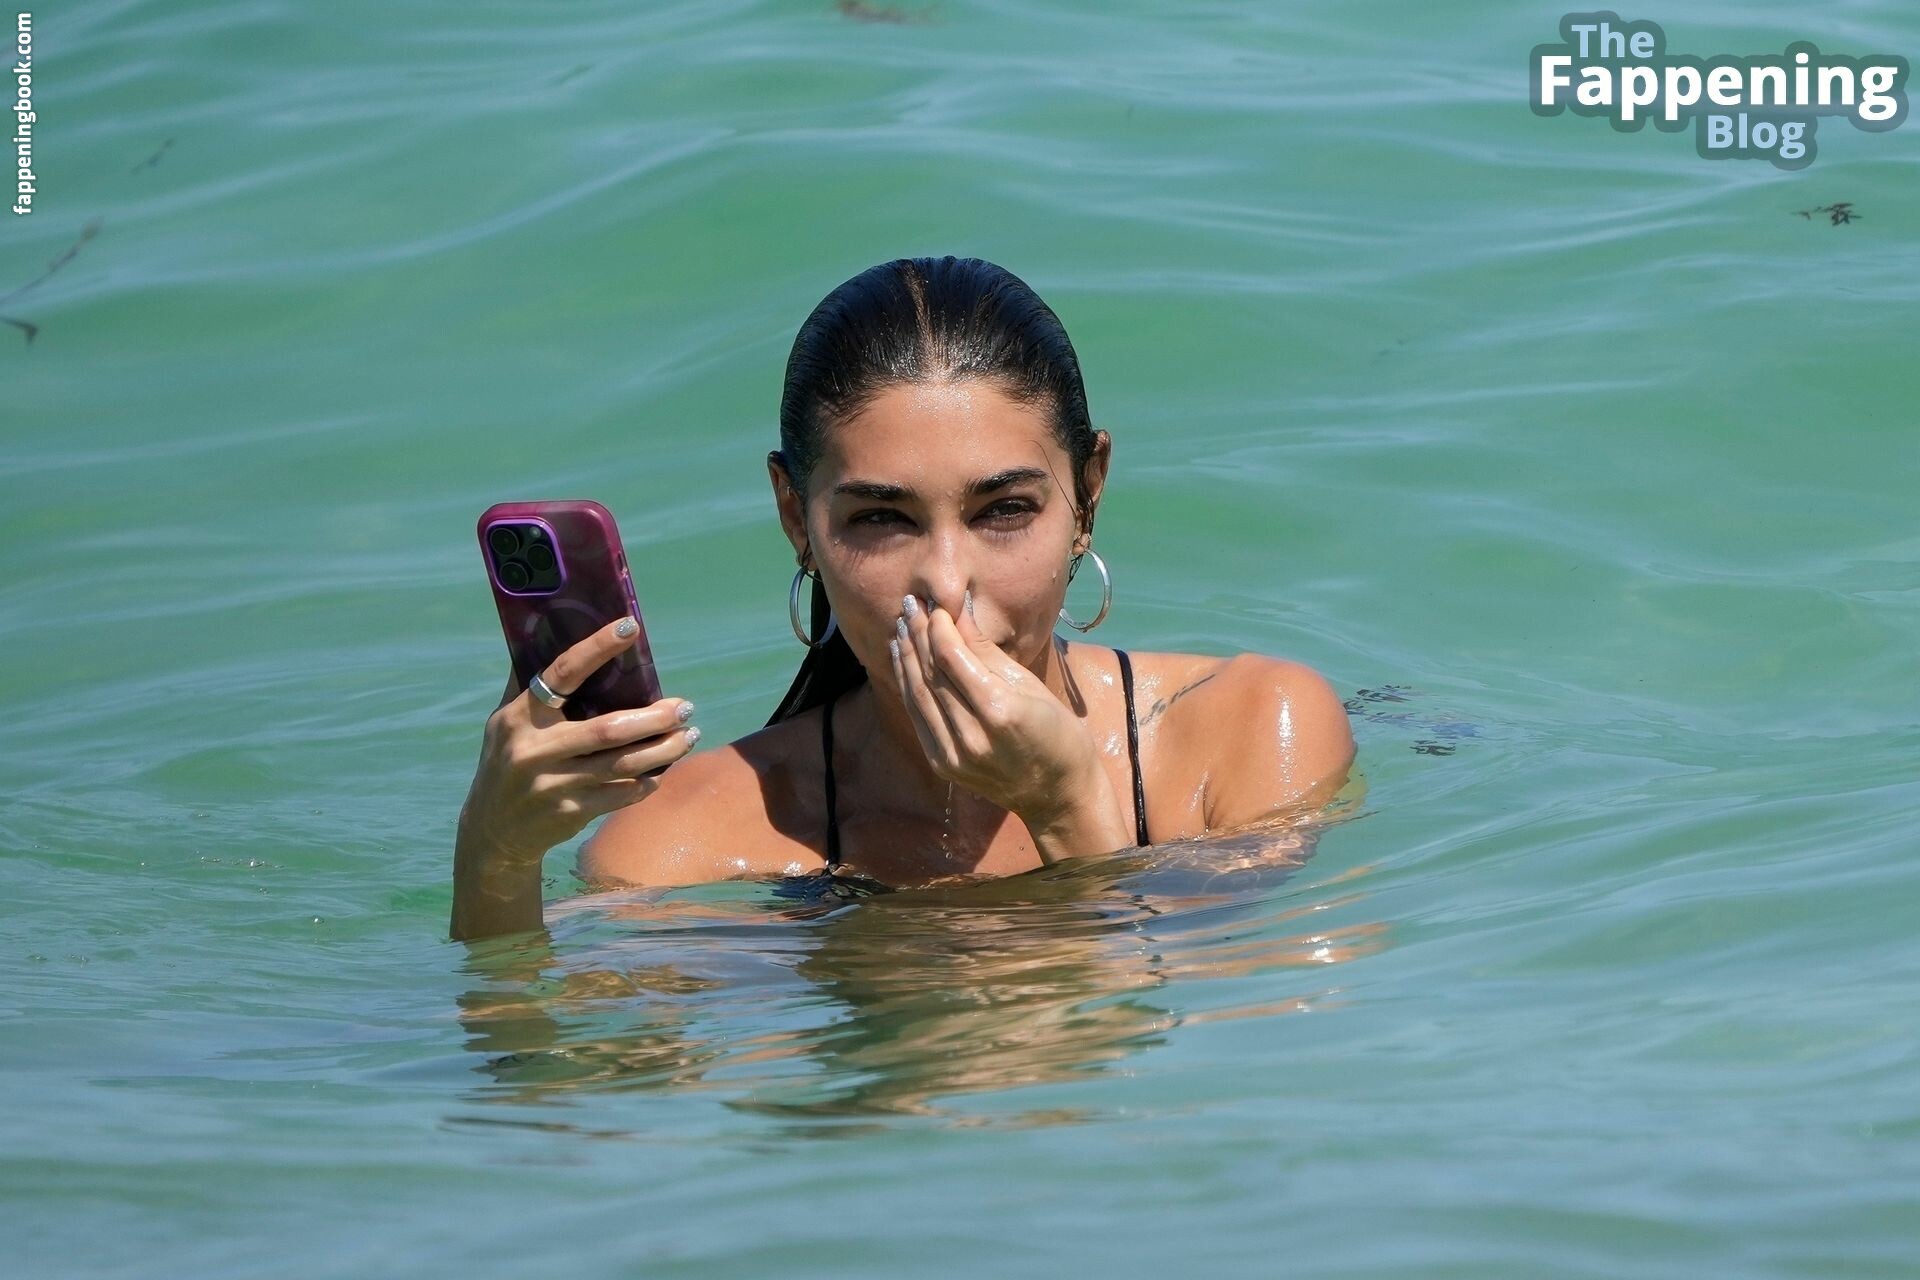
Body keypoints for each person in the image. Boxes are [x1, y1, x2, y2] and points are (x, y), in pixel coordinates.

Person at [451, 256, 1356, 941]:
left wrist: (1066, 803)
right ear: (796, 517)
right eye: (883, 519)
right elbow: (557, 1095)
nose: (947, 584)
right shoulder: (681, 841)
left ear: (1088, 495)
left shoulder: (1247, 734)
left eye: (1005, 510)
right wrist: (496, 858)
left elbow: (1237, 1069)